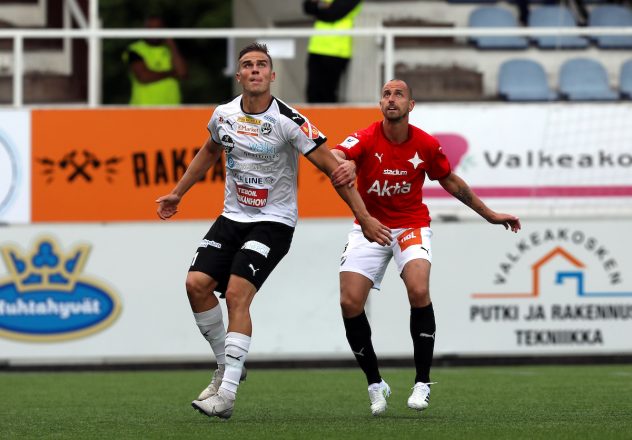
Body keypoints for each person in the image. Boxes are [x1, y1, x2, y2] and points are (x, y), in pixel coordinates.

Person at [155, 42, 391, 420]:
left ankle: (227, 394)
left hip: (274, 222)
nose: (254, 70)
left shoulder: (288, 121)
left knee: (235, 294)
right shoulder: (223, 115)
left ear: (271, 75)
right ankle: (227, 364)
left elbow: (334, 169)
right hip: (232, 217)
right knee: (195, 284)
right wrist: (178, 193)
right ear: (238, 75)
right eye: (247, 65)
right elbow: (208, 153)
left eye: (261, 65)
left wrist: (363, 216)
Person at [330, 79, 521, 416]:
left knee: (418, 290)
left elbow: (450, 180)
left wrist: (489, 214)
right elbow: (336, 154)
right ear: (381, 104)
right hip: (368, 226)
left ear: (410, 105)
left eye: (398, 94)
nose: (391, 99)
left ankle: (422, 382)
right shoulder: (365, 136)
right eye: (386, 95)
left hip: (411, 225)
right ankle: (375, 383)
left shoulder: (426, 145)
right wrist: (344, 163)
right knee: (349, 302)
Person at [303, 0, 362, 103]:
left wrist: (318, 6)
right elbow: (307, 6)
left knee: (328, 94)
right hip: (316, 48)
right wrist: (324, 6)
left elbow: (332, 14)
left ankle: (327, 119)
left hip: (337, 51)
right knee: (312, 93)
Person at [123, 15, 187, 105]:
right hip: (143, 109)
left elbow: (182, 73)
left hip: (173, 109)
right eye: (150, 28)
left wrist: (172, 46)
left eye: (158, 28)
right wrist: (170, 73)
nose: (154, 31)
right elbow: (144, 77)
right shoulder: (135, 50)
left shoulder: (171, 49)